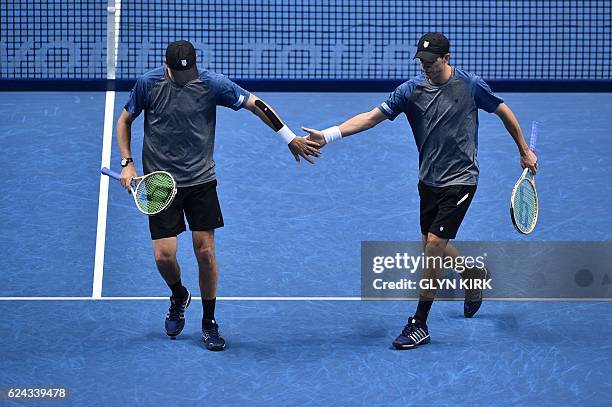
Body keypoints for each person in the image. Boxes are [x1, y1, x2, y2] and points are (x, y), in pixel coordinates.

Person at [302, 32, 538, 349]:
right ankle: (472, 273)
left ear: (446, 58)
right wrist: (328, 135)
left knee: (434, 247)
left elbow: (503, 110)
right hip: (428, 181)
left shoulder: (470, 86)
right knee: (429, 242)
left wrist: (523, 150)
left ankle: (419, 323)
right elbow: (371, 118)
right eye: (421, 61)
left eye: (429, 62)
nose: (424, 67)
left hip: (461, 180)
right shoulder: (411, 91)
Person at [116, 40, 321, 351]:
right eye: (179, 74)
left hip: (200, 180)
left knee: (206, 253)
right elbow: (124, 120)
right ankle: (178, 294)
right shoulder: (148, 84)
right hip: (159, 182)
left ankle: (209, 321)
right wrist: (127, 162)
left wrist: (289, 137)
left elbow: (256, 104)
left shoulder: (212, 84)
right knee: (164, 256)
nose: (186, 80)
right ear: (166, 64)